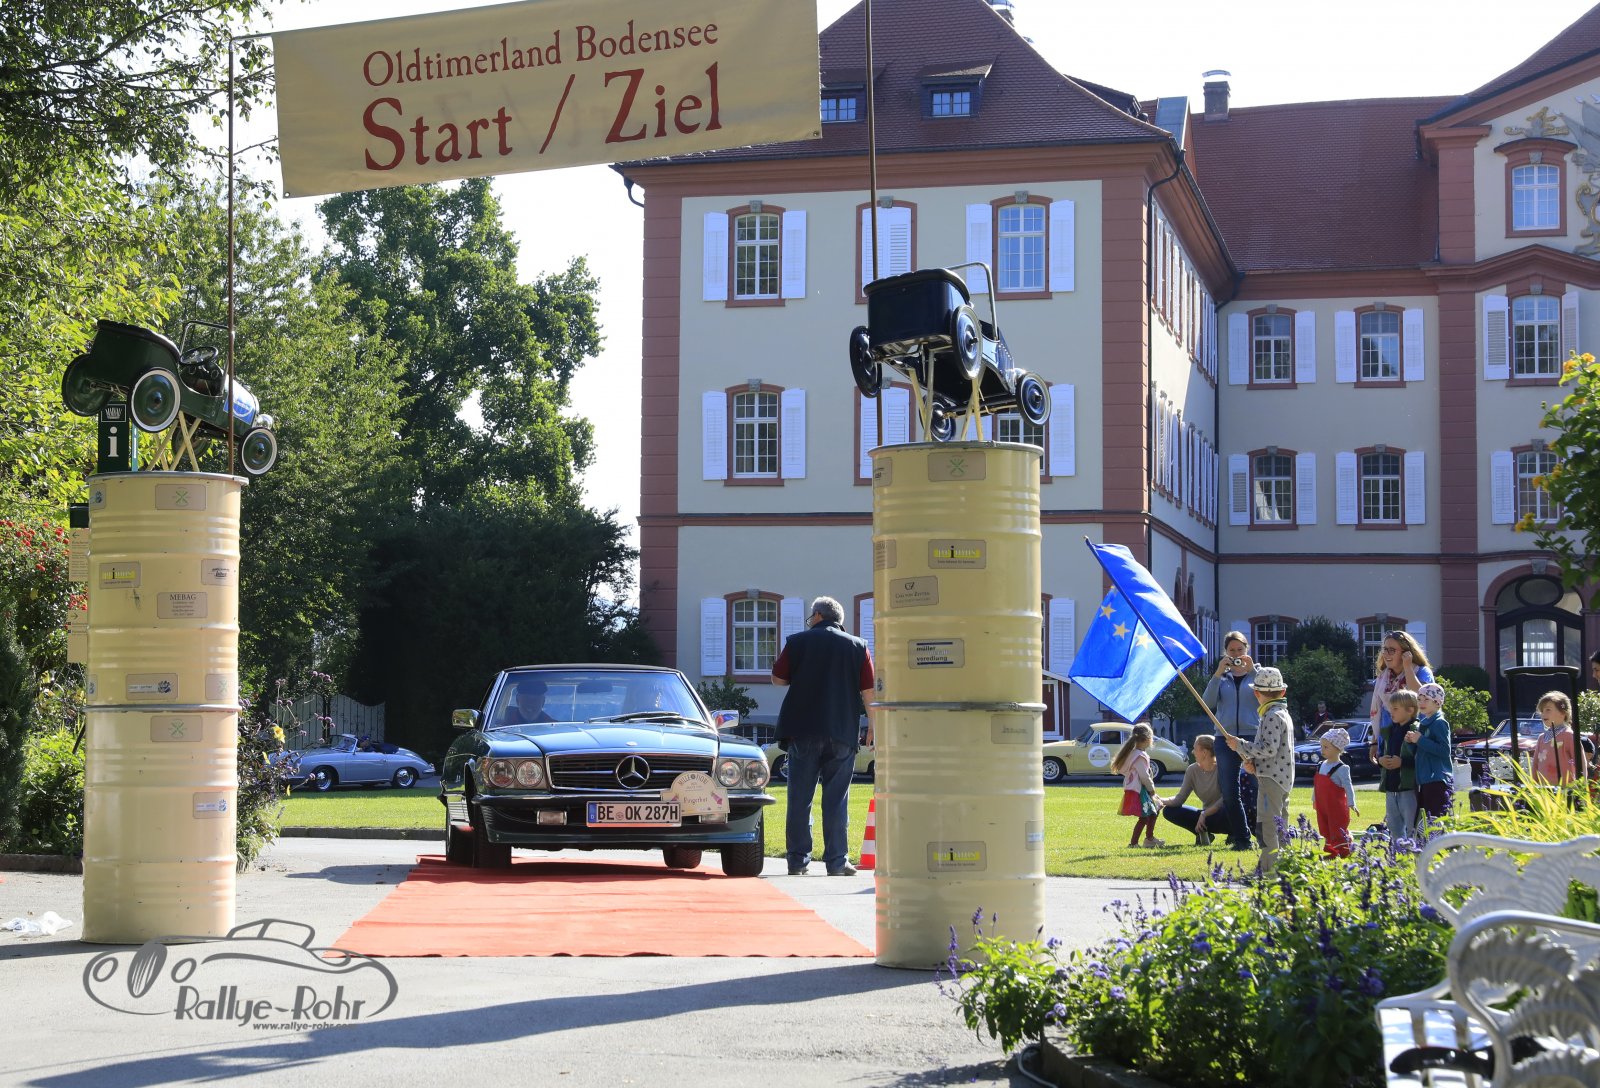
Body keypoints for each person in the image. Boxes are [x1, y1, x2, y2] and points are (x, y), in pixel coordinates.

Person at [772, 596, 875, 877]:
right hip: (842, 731)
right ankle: (837, 861)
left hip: (803, 729)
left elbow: (778, 679)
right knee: (837, 799)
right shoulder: (858, 646)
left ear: (817, 615)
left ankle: (797, 860)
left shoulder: (797, 642)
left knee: (800, 799)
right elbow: (868, 691)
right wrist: (873, 726)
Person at [1225, 666, 1295, 873]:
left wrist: (1240, 745)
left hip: (1271, 779)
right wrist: (1254, 763)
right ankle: (1286, 867)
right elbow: (1276, 750)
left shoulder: (1272, 715)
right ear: (1283, 691)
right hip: (1280, 777)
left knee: (1267, 826)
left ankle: (1267, 870)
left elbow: (1269, 748)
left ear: (1256, 693)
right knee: (1281, 824)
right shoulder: (1282, 713)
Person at [1202, 631, 1260, 851]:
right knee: (1229, 792)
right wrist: (1218, 673)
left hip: (1252, 737)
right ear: (1225, 652)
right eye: (1232, 650)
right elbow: (1207, 702)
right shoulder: (1221, 678)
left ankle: (1265, 835)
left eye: (1240, 650)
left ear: (1247, 650)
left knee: (1259, 787)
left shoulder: (1258, 674)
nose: (1236, 655)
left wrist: (1253, 671)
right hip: (1224, 738)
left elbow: (1268, 697)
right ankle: (1242, 838)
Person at [1366, 630, 1433, 767]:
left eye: (1392, 650)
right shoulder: (1383, 677)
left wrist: (1407, 667)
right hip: (1387, 740)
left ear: (1406, 652)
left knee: (1409, 776)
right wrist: (1374, 742)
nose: (1386, 654)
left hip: (1412, 738)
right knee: (1389, 778)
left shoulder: (1421, 672)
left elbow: (1422, 697)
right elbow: (1378, 711)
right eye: (1385, 649)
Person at [1160, 734, 1225, 846]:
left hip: (1223, 815)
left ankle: (1235, 835)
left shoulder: (1223, 769)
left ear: (1204, 752)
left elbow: (1227, 799)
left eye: (1195, 749)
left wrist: (1205, 813)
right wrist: (1159, 800)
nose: (1192, 752)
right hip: (1205, 817)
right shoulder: (1192, 770)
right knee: (1169, 811)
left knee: (1230, 811)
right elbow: (1180, 798)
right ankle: (1203, 834)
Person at [1111, 724, 1165, 848]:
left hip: (1137, 789)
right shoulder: (1139, 756)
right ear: (1147, 739)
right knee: (1145, 816)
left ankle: (1149, 839)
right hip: (1140, 790)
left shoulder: (1134, 753)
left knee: (1153, 812)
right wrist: (1152, 790)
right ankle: (1135, 843)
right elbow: (1144, 776)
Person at [1378, 689, 1421, 841]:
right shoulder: (1389, 730)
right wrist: (1381, 760)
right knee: (1394, 827)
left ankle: (1414, 852)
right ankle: (1397, 853)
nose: (1391, 712)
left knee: (1412, 827)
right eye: (1390, 708)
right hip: (1391, 786)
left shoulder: (1415, 730)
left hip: (1408, 787)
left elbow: (1421, 759)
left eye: (1395, 708)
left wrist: (1402, 763)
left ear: (1410, 710)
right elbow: (1382, 752)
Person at [1312, 726, 1359, 857]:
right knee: (1325, 826)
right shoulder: (1321, 765)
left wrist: (1352, 803)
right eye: (1321, 746)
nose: (1322, 750)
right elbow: (1316, 785)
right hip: (1323, 805)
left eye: (1326, 747)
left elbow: (1348, 787)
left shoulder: (1342, 768)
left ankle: (1344, 850)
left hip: (1336, 807)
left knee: (1337, 828)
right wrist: (1314, 799)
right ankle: (1331, 850)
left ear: (1338, 748)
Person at [1410, 682, 1453, 821]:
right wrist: (1411, 741)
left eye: (1426, 699)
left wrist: (1420, 740)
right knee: (1424, 822)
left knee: (1434, 821)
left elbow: (1444, 750)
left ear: (1437, 703)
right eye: (1419, 699)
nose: (1421, 703)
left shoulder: (1439, 723)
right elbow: (1422, 749)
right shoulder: (1424, 723)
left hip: (1437, 779)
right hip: (1425, 779)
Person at [1531, 690, 1580, 786]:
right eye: (1542, 711)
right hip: (1543, 789)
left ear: (1563, 713)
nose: (1543, 714)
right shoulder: (1541, 738)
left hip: (1564, 789)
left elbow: (1580, 762)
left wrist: (1581, 786)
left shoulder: (1568, 735)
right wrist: (1534, 784)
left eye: (1548, 710)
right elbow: (1535, 764)